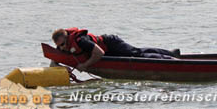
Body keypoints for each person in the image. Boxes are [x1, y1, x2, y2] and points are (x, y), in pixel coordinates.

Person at [51, 28, 180, 71]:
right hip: (107, 51)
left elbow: (99, 53)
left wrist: (84, 65)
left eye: (63, 44)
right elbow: (54, 61)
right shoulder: (64, 45)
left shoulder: (81, 41)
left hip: (111, 43)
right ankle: (171, 54)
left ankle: (170, 58)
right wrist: (62, 68)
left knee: (137, 55)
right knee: (138, 52)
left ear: (67, 38)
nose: (62, 48)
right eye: (59, 46)